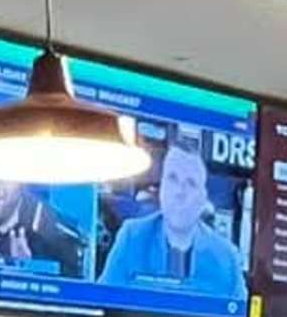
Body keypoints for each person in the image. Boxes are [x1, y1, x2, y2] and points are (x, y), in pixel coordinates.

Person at [98, 122, 247, 300]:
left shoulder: (226, 257)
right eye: (173, 179)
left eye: (190, 183)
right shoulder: (133, 236)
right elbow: (102, 303)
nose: (180, 192)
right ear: (161, 189)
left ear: (202, 198)